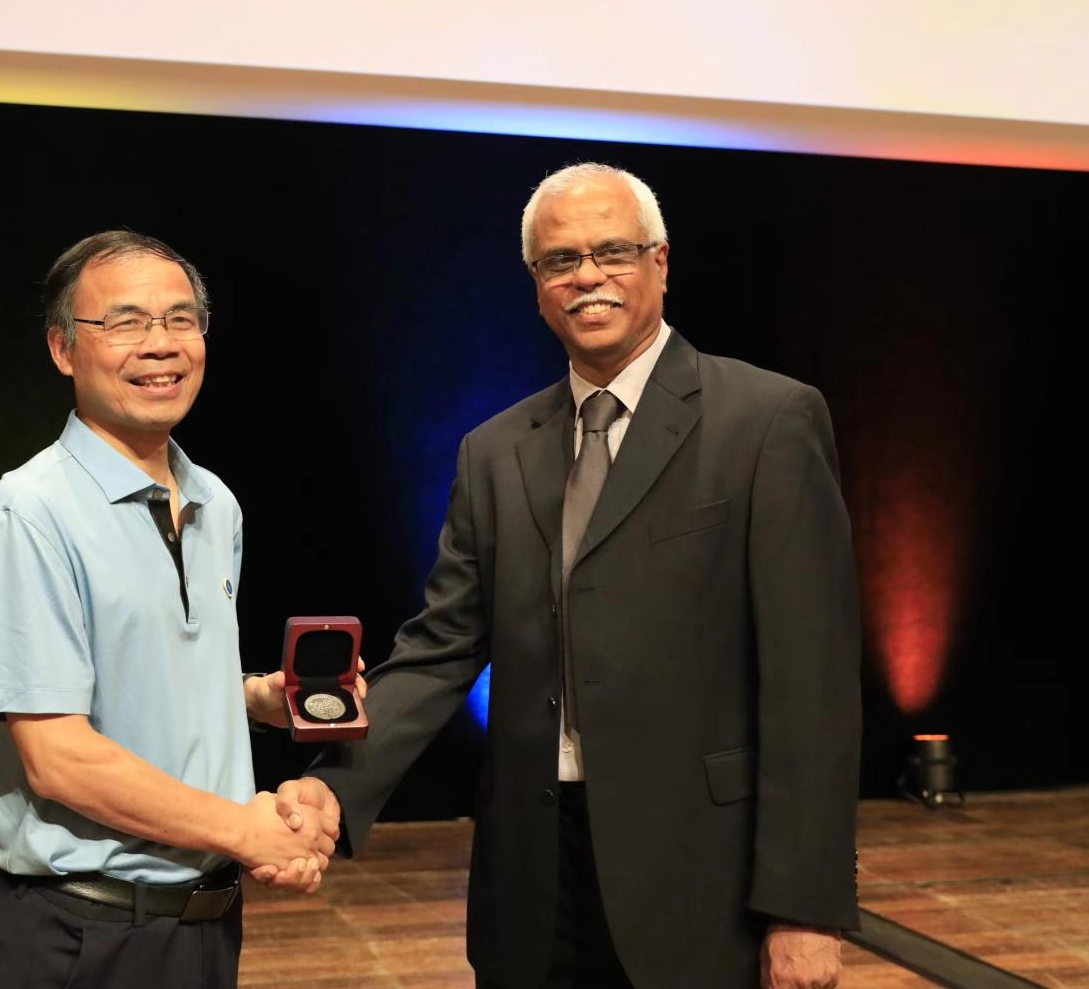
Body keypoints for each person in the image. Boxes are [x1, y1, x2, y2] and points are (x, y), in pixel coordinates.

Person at [284, 164, 861, 988]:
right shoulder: (495, 450)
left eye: (612, 251)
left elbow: (813, 684)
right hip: (532, 877)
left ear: (660, 261)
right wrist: (336, 790)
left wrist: (804, 906)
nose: (588, 276)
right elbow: (441, 648)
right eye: (561, 260)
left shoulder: (767, 420)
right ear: (536, 284)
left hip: (704, 880)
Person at [0, 230, 338, 988]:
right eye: (125, 322)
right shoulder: (27, 512)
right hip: (84, 934)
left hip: (207, 923)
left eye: (180, 319)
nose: (160, 344)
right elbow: (58, 757)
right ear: (63, 348)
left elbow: (138, 680)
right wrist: (247, 830)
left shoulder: (216, 503)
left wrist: (255, 698)